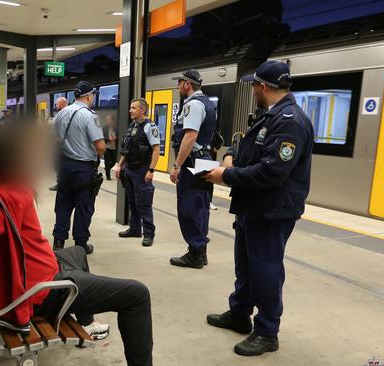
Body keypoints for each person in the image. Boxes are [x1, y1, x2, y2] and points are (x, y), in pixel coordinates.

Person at [0, 122, 153, 366]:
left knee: (77, 251)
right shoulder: (12, 194)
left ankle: (87, 323)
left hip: (41, 270)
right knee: (137, 294)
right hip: (42, 290)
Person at [202, 60, 314, 356]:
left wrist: (225, 175)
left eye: (253, 86)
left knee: (265, 269)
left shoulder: (289, 120)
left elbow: (272, 172)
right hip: (254, 206)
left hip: (272, 209)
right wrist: (229, 158)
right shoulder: (270, 116)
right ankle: (240, 313)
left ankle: (267, 331)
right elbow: (249, 151)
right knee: (246, 264)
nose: (252, 90)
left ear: (262, 87)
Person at [168, 69, 218, 269]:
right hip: (205, 159)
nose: (178, 86)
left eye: (179, 82)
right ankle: (200, 251)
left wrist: (177, 165)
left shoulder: (193, 105)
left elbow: (190, 136)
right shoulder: (207, 102)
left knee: (189, 208)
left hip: (193, 162)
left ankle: (196, 252)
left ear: (187, 84)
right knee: (201, 207)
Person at [52, 81, 106, 254]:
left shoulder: (61, 114)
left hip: (64, 167)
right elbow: (100, 146)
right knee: (84, 206)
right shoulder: (90, 116)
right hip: (83, 169)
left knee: (63, 204)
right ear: (89, 96)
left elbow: (53, 140)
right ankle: (80, 245)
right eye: (93, 96)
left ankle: (59, 242)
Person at [115, 99, 160, 247]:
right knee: (132, 201)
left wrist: (151, 170)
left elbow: (156, 150)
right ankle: (135, 229)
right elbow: (126, 150)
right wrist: (120, 166)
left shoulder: (150, 127)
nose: (130, 110)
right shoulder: (132, 126)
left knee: (144, 203)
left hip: (142, 170)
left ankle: (148, 234)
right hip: (129, 169)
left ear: (142, 110)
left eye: (133, 108)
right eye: (130, 107)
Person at [49, 96, 69, 192]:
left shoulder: (62, 114)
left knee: (59, 165)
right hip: (63, 144)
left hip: (61, 145)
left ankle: (61, 184)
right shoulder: (66, 113)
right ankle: (61, 183)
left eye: (57, 104)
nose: (56, 106)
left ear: (61, 104)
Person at [103, 115, 118, 180]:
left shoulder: (116, 128)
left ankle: (107, 168)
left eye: (109, 120)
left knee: (114, 161)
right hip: (107, 147)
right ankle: (108, 176)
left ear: (112, 121)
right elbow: (102, 137)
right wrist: (108, 139)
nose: (107, 121)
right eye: (107, 120)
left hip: (114, 147)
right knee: (107, 161)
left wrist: (116, 138)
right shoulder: (104, 128)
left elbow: (119, 136)